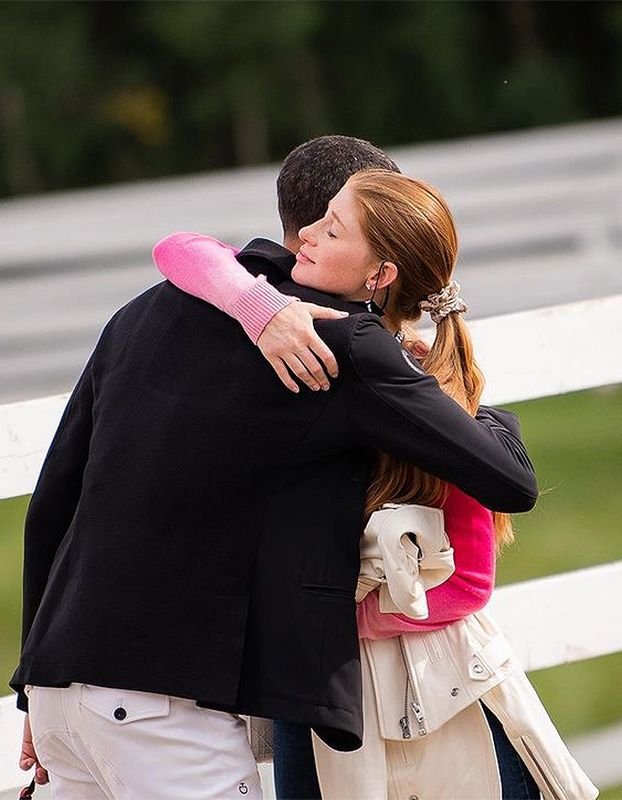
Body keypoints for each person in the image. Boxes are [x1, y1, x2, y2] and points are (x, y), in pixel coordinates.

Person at [12, 137, 537, 800]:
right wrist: (446, 382)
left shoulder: (150, 306)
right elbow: (511, 481)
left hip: (63, 684)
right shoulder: (344, 343)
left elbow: (52, 505)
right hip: (166, 710)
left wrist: (33, 685)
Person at [152, 167, 552, 798]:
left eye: (331, 227)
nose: (303, 237)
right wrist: (261, 311)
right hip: (316, 684)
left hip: (422, 684)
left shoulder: (416, 389)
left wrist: (338, 608)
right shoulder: (296, 323)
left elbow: (471, 575)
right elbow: (179, 247)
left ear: (380, 274)